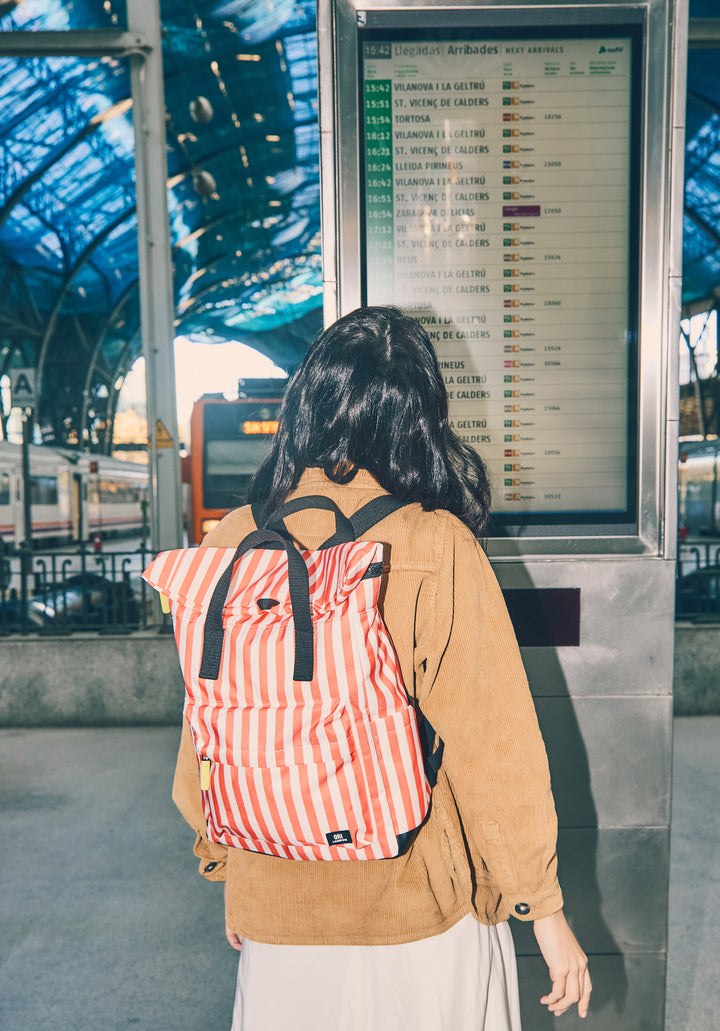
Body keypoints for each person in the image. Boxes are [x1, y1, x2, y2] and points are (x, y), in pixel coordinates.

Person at [172, 305, 591, 1029]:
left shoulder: (236, 540)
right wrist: (543, 909)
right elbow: (496, 748)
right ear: (420, 421)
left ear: (307, 404)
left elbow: (206, 735)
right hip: (420, 913)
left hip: (278, 908)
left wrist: (229, 868)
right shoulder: (436, 543)